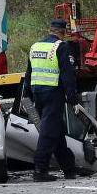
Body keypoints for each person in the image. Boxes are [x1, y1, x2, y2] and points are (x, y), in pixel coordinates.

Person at [23, 19, 81, 182]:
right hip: (53, 93)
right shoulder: (61, 47)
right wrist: (72, 97)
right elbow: (67, 74)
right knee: (48, 133)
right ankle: (40, 170)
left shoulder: (35, 46)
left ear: (50, 30)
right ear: (62, 32)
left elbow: (28, 73)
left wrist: (26, 94)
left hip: (37, 93)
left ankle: (69, 169)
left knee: (56, 131)